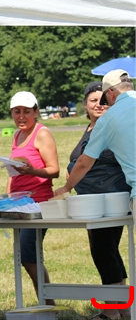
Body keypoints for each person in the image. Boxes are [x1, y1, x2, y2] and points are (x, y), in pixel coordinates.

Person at [65, 81, 131, 320]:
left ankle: (111, 310)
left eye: (102, 100)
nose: (98, 104)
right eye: (93, 100)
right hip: (90, 201)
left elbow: (90, 162)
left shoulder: (112, 125)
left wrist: (68, 184)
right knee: (106, 250)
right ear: (85, 104)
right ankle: (123, 306)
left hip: (110, 200)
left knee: (104, 250)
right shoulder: (90, 128)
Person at [55, 70, 136, 226]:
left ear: (110, 93)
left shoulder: (108, 119)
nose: (105, 105)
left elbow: (84, 163)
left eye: (105, 100)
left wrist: (67, 187)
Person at [7, 91, 59, 306]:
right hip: (20, 203)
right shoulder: (17, 135)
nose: (21, 116)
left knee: (28, 253)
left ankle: (48, 304)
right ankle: (46, 302)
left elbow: (54, 170)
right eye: (17, 111)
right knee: (26, 254)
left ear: (36, 112)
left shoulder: (42, 133)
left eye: (26, 112)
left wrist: (31, 171)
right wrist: (8, 195)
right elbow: (14, 172)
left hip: (38, 203)